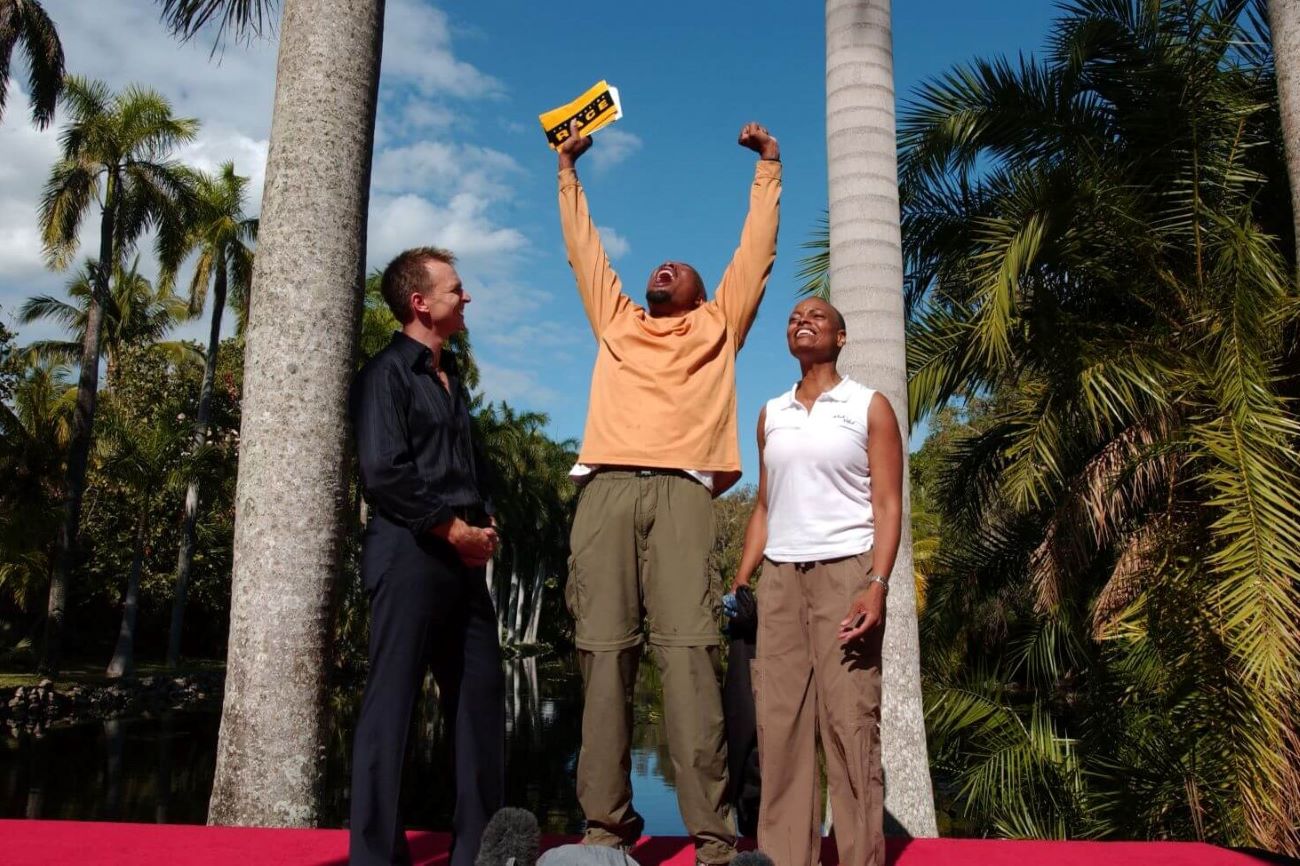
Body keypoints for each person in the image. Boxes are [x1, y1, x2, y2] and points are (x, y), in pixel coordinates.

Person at [556, 118, 781, 865]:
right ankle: (603, 830)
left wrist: (768, 169)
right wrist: (568, 175)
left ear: (701, 293)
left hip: (684, 497)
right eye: (659, 264)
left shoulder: (720, 326)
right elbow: (585, 252)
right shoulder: (616, 321)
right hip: (607, 490)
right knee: (603, 654)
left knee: (688, 659)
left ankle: (714, 840)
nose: (666, 266)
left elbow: (755, 255)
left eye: (679, 267)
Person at [729, 298, 903, 866]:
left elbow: (887, 502)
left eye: (816, 317)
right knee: (779, 729)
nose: (802, 320)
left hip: (846, 575)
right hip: (780, 581)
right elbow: (763, 505)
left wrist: (876, 582)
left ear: (842, 337)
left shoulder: (867, 406)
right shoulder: (771, 412)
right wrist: (741, 579)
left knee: (850, 726)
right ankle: (782, 858)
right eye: (793, 317)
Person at [348, 247, 504, 866]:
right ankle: (376, 857)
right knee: (392, 704)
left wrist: (485, 528)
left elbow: (465, 469)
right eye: (455, 290)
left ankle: (480, 851)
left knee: (481, 697)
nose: (466, 298)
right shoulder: (384, 374)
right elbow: (384, 473)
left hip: (462, 562)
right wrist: (451, 530)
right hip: (409, 552)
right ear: (420, 303)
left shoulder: (451, 378)